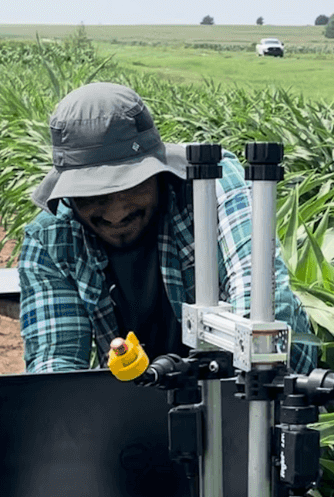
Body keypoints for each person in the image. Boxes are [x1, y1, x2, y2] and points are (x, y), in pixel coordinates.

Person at [18, 82, 317, 376]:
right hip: (137, 397)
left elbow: (257, 294)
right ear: (68, 195)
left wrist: (243, 372)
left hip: (244, 381)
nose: (116, 212)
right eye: (91, 196)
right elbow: (55, 361)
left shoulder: (209, 183)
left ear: (158, 173)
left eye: (130, 186)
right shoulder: (50, 241)